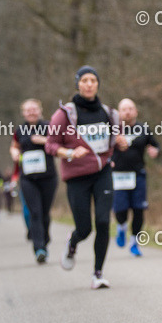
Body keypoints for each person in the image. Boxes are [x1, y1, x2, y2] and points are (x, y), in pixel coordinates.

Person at [45, 66, 127, 289]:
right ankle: (73, 243)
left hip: (103, 173)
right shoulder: (64, 114)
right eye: (84, 80)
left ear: (98, 84)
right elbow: (50, 145)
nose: (89, 84)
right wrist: (69, 153)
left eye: (93, 80)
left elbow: (116, 140)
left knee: (102, 222)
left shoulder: (110, 114)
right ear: (78, 84)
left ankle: (97, 274)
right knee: (85, 228)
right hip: (77, 176)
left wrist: (121, 142)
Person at [10, 99, 58, 263]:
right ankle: (39, 248)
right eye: (28, 110)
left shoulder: (49, 126)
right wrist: (14, 153)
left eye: (34, 109)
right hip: (28, 178)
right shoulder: (20, 130)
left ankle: (45, 238)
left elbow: (59, 144)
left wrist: (44, 141)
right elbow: (14, 145)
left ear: (40, 110)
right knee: (35, 212)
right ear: (23, 113)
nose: (31, 113)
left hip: (48, 177)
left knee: (44, 212)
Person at [112, 98, 160, 256]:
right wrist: (109, 162)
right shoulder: (113, 130)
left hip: (138, 174)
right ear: (119, 113)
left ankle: (134, 242)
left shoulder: (143, 129)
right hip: (118, 176)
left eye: (130, 108)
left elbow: (154, 144)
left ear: (136, 111)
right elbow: (104, 150)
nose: (127, 112)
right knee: (121, 209)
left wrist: (155, 150)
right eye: (124, 109)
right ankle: (121, 227)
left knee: (139, 209)